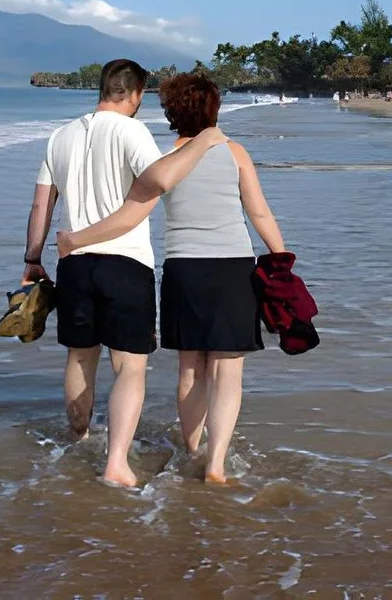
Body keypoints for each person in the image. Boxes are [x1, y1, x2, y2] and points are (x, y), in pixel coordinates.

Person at [57, 74, 288, 485]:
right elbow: (260, 214)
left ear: (170, 113)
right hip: (233, 269)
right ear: (214, 111)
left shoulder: (163, 164)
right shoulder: (236, 154)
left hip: (182, 271)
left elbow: (128, 216)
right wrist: (280, 258)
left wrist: (77, 239)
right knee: (227, 371)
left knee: (190, 370)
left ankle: (192, 448)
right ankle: (215, 463)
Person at [23, 59, 225, 487]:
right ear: (134, 94)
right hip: (126, 262)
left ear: (102, 88)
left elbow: (42, 204)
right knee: (129, 368)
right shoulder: (133, 132)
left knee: (79, 357)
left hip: (73, 263)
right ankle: (116, 463)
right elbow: (159, 179)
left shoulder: (59, 136)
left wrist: (32, 259)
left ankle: (79, 439)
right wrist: (205, 142)